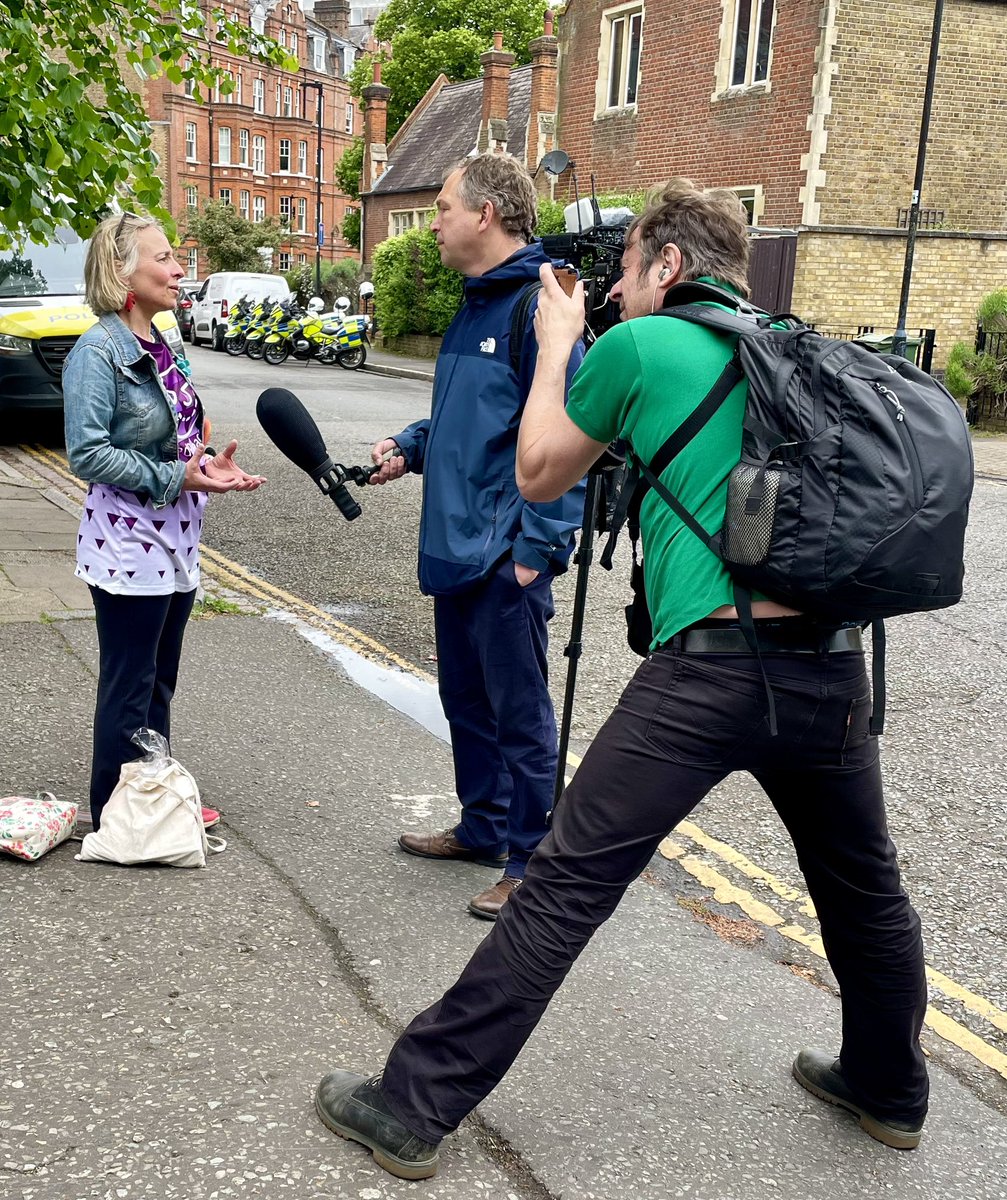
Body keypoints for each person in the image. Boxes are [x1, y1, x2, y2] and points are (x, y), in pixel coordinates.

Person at [315, 179, 929, 1179]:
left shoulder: (640, 348)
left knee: (558, 887)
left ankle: (410, 1106)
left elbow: (540, 472)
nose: (614, 291)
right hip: (831, 668)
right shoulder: (789, 344)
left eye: (628, 271)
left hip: (710, 675)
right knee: (865, 894)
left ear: (668, 268)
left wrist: (561, 339)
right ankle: (889, 1087)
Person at [367, 153, 585, 920]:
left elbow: (570, 435)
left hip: (502, 557)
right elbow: (474, 420)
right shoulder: (473, 304)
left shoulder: (540, 306)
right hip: (454, 550)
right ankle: (483, 828)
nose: (433, 227)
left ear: (485, 213)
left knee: (520, 718)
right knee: (464, 702)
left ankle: (529, 863)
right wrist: (411, 444)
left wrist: (535, 553)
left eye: (442, 210)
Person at [63, 213, 265, 832]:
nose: (180, 270)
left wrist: (206, 462)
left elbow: (174, 434)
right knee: (130, 682)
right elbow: (87, 452)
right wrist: (179, 476)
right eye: (164, 259)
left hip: (175, 536)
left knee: (160, 679)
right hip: (125, 542)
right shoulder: (96, 353)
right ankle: (116, 811)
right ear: (124, 272)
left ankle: (157, 794)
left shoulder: (164, 339)